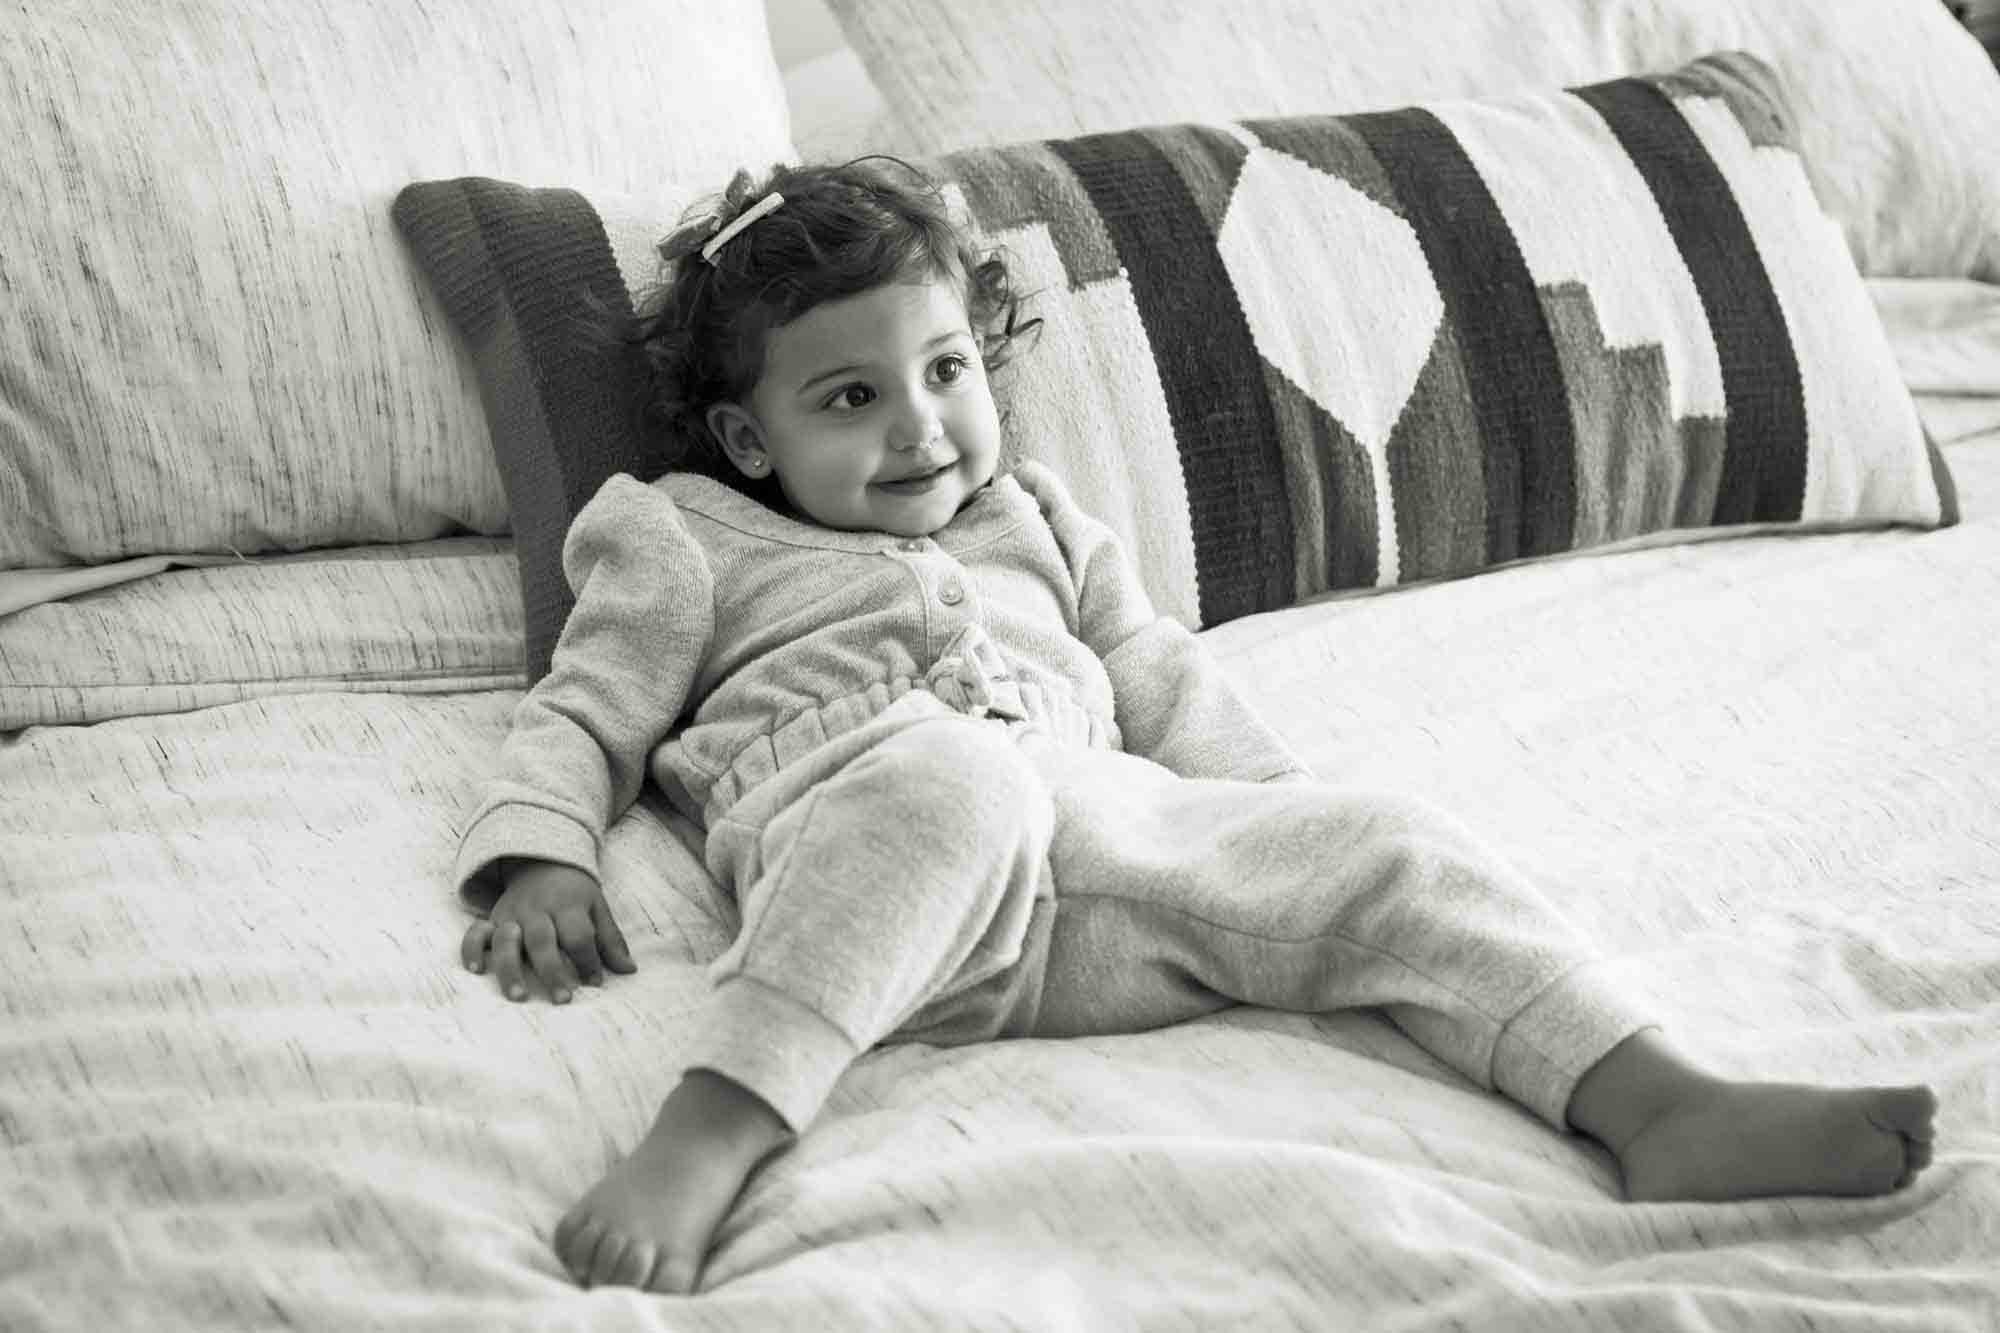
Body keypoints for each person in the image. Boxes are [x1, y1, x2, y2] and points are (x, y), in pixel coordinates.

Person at [452, 158, 1938, 1295]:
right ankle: (713, 1125)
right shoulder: (683, 530)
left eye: (948, 372)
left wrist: (1278, 817)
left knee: (1384, 841)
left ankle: (1655, 1095)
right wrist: (540, 855)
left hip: (1111, 875)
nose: (921, 429)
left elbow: (1154, 672)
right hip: (870, 860)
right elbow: (585, 704)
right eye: (852, 396)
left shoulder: (1036, 517)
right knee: (955, 778)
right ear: (745, 436)